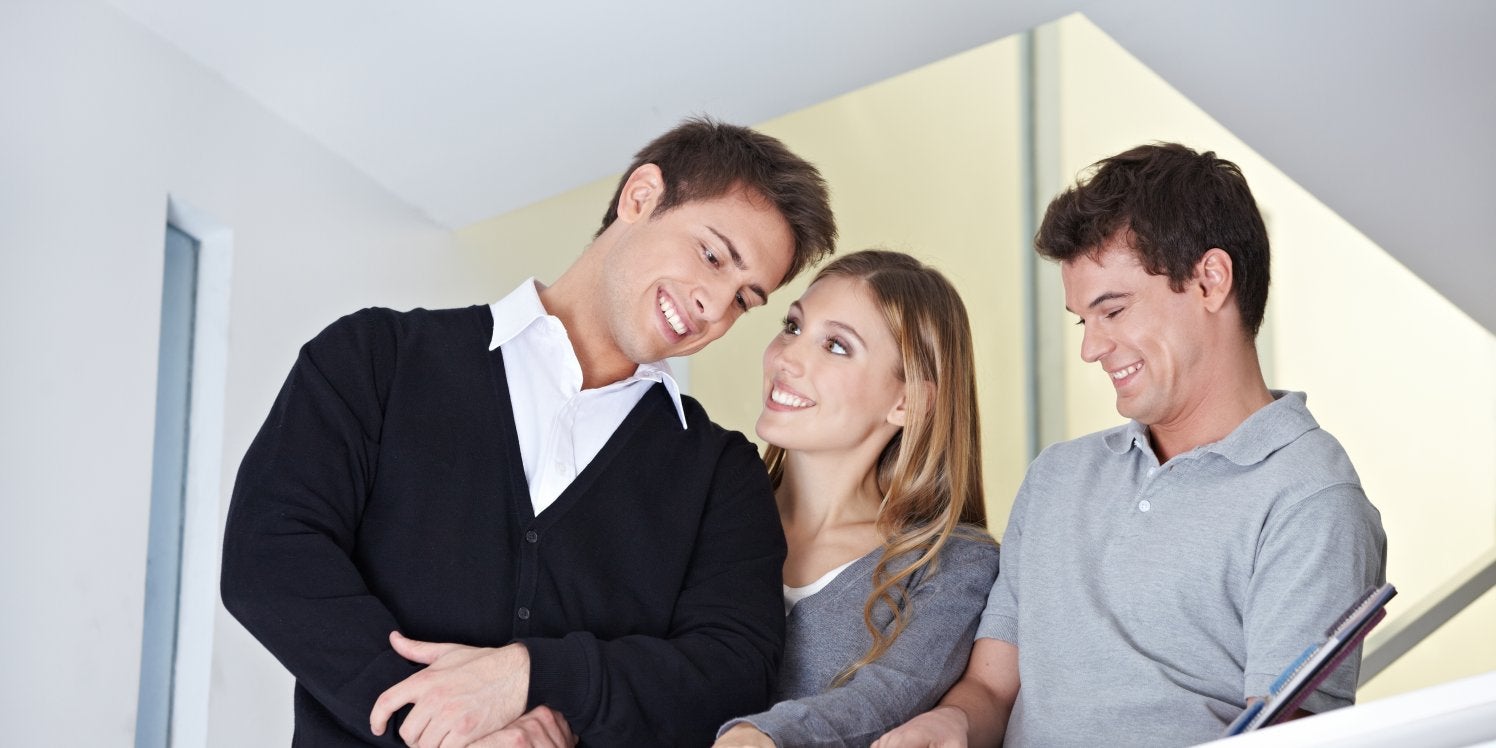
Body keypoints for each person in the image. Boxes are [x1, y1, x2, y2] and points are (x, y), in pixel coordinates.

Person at [220, 117, 837, 746]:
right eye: (711, 255)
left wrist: (534, 676)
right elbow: (269, 556)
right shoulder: (376, 357)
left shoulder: (722, 476)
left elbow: (733, 672)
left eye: (744, 299)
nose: (714, 307)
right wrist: (441, 725)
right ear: (640, 196)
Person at [877, 143, 1387, 748]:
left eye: (1113, 311)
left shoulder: (1311, 500)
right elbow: (991, 688)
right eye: (1082, 320)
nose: (1091, 348)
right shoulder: (1058, 476)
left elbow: (1284, 737)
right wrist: (953, 721)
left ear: (1210, 280)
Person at [712, 250, 1000, 748]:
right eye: (792, 326)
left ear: (908, 401)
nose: (786, 357)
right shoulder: (707, 510)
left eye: (836, 346)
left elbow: (889, 695)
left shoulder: (949, 563)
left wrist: (759, 738)